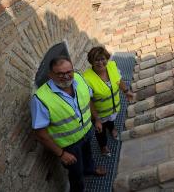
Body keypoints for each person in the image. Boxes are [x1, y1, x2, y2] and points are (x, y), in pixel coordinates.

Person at [30, 56, 106, 192]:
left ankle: (90, 169)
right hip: (69, 145)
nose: (66, 76)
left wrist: (97, 119)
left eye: (69, 72)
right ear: (50, 75)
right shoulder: (41, 99)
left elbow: (87, 100)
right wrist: (61, 154)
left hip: (87, 132)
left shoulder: (79, 78)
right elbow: (40, 134)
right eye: (60, 73)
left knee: (88, 155)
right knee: (76, 174)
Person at [83, 46, 134, 156]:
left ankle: (112, 129)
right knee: (100, 131)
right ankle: (103, 146)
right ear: (91, 61)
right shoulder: (87, 78)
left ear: (107, 59)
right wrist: (96, 119)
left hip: (113, 108)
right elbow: (89, 101)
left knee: (111, 121)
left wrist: (126, 91)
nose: (100, 63)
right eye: (96, 60)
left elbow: (118, 80)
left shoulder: (112, 66)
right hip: (99, 114)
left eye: (103, 59)